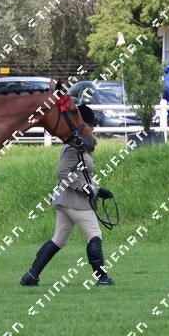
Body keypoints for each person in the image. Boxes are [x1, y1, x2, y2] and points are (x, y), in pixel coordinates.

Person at [20, 104, 115, 287]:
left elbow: (82, 175)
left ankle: (31, 276)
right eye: (91, 125)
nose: (93, 129)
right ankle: (102, 277)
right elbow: (62, 172)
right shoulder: (73, 149)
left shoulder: (81, 147)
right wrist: (83, 188)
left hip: (66, 201)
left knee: (59, 239)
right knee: (95, 235)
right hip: (75, 202)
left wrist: (97, 190)